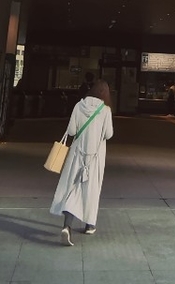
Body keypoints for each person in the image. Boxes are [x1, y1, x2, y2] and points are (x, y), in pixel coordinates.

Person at [50, 78, 114, 245]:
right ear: (104, 93)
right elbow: (109, 134)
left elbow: (71, 131)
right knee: (91, 189)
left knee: (72, 188)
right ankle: (89, 225)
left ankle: (67, 225)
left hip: (77, 155)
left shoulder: (79, 106)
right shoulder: (105, 110)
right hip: (95, 158)